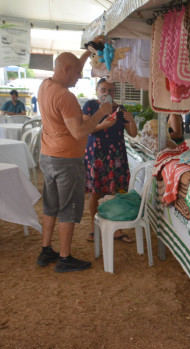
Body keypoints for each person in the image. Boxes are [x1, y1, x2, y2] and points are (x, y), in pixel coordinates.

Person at [37, 50, 113, 273]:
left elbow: (71, 64)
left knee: (50, 205)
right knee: (68, 208)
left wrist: (88, 52)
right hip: (66, 160)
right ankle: (65, 257)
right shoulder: (65, 96)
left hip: (48, 155)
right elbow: (79, 132)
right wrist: (101, 112)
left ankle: (45, 250)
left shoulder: (45, 85)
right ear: (66, 70)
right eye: (77, 73)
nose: (79, 77)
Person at [83, 78, 138, 243]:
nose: (107, 93)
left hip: (117, 156)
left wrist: (131, 119)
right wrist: (103, 126)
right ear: (97, 90)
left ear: (115, 92)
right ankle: (94, 228)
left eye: (111, 90)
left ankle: (116, 229)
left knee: (117, 192)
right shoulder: (90, 106)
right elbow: (83, 129)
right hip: (96, 156)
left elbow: (133, 133)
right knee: (96, 192)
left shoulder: (120, 109)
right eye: (103, 89)